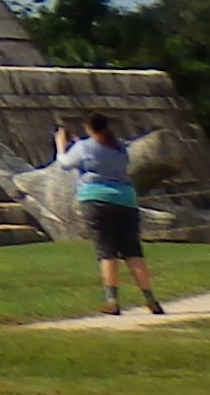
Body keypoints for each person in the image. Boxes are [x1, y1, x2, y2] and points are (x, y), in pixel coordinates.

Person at [65, 116, 166, 317]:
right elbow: (105, 156)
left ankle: (112, 301)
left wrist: (61, 145)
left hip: (96, 199)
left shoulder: (84, 147)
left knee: (107, 252)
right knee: (133, 252)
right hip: (126, 199)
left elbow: (66, 163)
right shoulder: (120, 147)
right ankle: (151, 299)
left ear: (88, 128)